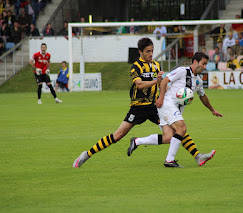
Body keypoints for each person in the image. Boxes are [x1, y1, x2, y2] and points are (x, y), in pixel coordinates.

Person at [73, 38, 215, 168]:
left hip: (155, 107)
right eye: (148, 51)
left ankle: (197, 156)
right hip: (138, 108)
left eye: (152, 51)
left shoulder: (156, 65)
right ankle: (87, 154)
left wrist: (165, 91)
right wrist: (157, 80)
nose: (151, 54)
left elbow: (162, 84)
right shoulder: (135, 67)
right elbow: (139, 85)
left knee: (176, 131)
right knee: (117, 136)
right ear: (140, 52)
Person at [129, 52, 222, 168]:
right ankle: (170, 160)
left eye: (206, 64)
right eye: (203, 64)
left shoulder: (198, 81)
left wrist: (212, 110)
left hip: (174, 109)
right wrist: (161, 97)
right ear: (195, 62)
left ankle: (137, 141)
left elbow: (202, 96)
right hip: (167, 104)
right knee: (182, 128)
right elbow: (164, 81)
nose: (204, 67)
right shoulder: (182, 71)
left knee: (168, 137)